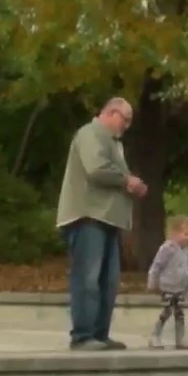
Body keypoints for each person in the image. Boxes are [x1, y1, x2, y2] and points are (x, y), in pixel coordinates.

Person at [55, 97, 147, 351]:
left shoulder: (113, 143)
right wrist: (127, 181)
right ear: (112, 113)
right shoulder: (91, 133)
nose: (126, 126)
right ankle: (83, 335)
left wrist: (130, 185)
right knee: (88, 276)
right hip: (88, 216)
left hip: (107, 218)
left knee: (108, 280)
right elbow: (96, 168)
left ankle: (99, 333)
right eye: (125, 120)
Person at [147, 215, 188, 350]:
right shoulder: (167, 248)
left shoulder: (187, 252)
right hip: (168, 287)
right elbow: (157, 265)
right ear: (175, 233)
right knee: (166, 312)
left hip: (181, 289)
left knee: (180, 314)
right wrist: (152, 281)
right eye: (185, 234)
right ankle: (155, 336)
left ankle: (180, 340)